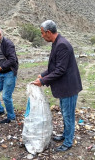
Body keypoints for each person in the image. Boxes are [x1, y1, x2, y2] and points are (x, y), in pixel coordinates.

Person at [32, 20, 82, 152]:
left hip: (69, 88)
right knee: (65, 113)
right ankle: (66, 135)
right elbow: (54, 66)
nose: (42, 36)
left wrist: (43, 82)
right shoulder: (56, 43)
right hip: (64, 87)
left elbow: (60, 70)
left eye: (43, 33)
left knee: (68, 115)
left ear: (48, 32)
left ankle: (68, 142)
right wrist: (43, 75)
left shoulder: (62, 45)